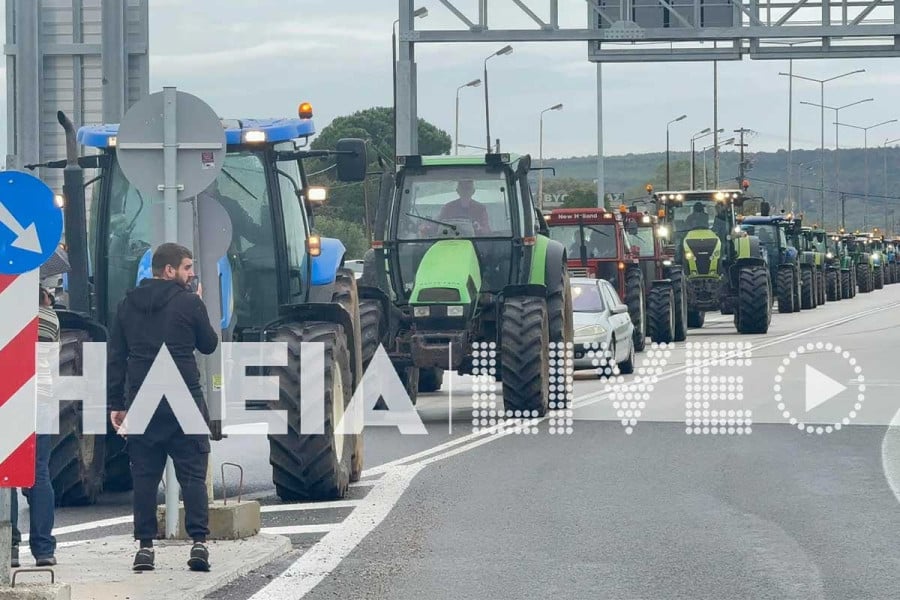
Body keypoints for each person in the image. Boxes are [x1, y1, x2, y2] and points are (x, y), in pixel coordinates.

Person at [107, 242, 219, 572]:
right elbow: (208, 345)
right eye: (187, 267)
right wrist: (199, 304)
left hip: (143, 396)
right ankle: (198, 544)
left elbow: (116, 358)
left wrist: (116, 404)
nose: (191, 273)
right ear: (169, 271)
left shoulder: (126, 304)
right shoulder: (189, 302)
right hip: (183, 395)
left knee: (144, 476)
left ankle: (145, 548)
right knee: (193, 473)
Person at [10, 286, 59, 568]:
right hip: (41, 399)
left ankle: (9, 546)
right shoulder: (50, 318)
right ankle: (43, 550)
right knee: (39, 471)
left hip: (9, 401)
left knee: (5, 476)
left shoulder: (9, 313)